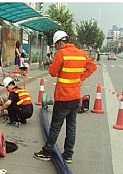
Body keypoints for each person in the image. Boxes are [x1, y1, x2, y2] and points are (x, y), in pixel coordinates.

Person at [33, 30, 97, 163]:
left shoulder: (61, 54)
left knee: (56, 125)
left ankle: (47, 152)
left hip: (63, 97)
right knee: (71, 126)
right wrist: (80, 78)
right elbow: (92, 66)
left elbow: (52, 72)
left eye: (56, 45)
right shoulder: (81, 53)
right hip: (75, 97)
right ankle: (68, 154)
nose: (56, 47)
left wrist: (51, 63)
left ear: (61, 42)